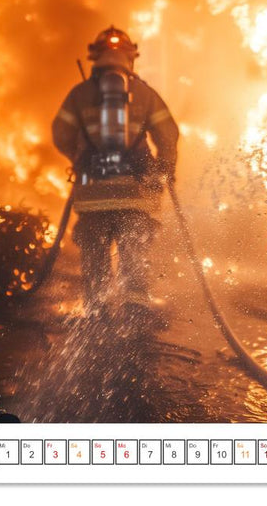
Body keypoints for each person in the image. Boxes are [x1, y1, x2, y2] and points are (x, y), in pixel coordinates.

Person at [52, 26, 179, 312]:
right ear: (130, 58)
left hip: (92, 196)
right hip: (135, 196)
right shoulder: (145, 94)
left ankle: (98, 312)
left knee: (95, 256)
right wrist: (164, 169)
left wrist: (80, 157)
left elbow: (60, 133)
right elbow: (168, 136)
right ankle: (136, 316)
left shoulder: (80, 94)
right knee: (133, 255)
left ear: (95, 57)